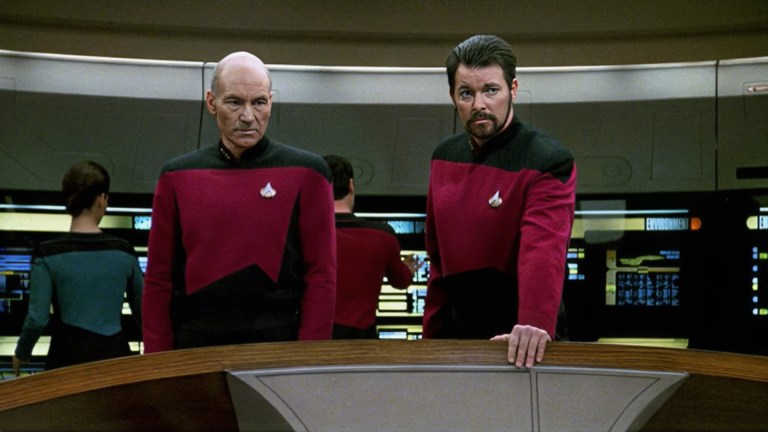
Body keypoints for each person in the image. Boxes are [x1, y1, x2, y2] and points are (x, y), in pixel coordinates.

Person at [142, 51, 336, 353]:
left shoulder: (309, 173)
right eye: (234, 102)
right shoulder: (176, 175)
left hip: (277, 344)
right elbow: (158, 279)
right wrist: (158, 361)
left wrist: (309, 359)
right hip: (195, 343)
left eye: (258, 102)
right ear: (211, 103)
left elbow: (321, 275)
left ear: (270, 102)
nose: (248, 116)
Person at [422, 35, 577, 368]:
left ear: (513, 89)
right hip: (456, 338)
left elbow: (543, 250)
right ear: (453, 97)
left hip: (526, 339)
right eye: (467, 93)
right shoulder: (443, 156)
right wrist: (429, 343)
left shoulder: (548, 159)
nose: (479, 104)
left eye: (491, 90)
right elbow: (437, 259)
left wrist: (533, 325)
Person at [12, 161, 143, 375]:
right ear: (101, 199)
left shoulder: (47, 254)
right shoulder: (124, 251)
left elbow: (37, 319)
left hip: (66, 360)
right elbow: (144, 311)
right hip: (116, 360)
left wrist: (22, 352)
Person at [323, 155, 421, 339]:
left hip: (313, 340)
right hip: (362, 340)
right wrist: (408, 269)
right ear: (351, 185)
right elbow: (401, 281)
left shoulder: (305, 233)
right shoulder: (382, 235)